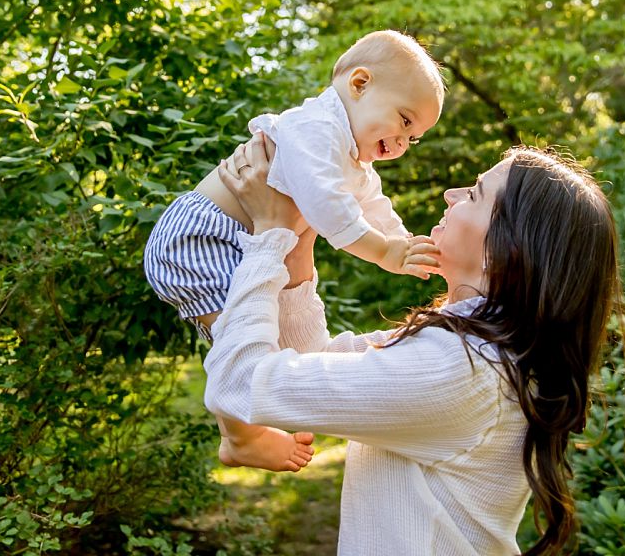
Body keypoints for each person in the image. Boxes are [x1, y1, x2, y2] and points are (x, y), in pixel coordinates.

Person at [204, 134, 625, 556]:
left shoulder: (463, 369)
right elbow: (311, 362)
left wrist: (270, 236)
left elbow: (240, 384)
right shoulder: (475, 349)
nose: (450, 194)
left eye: (475, 194)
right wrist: (299, 245)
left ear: (506, 250)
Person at [143, 30, 445, 472]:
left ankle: (243, 430)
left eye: (413, 137)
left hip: (234, 240)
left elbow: (374, 205)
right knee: (239, 339)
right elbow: (330, 210)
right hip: (199, 240)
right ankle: (240, 437)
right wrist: (386, 253)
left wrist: (402, 242)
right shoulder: (317, 128)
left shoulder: (352, 157)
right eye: (404, 120)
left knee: (265, 337)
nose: (401, 144)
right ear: (360, 84)